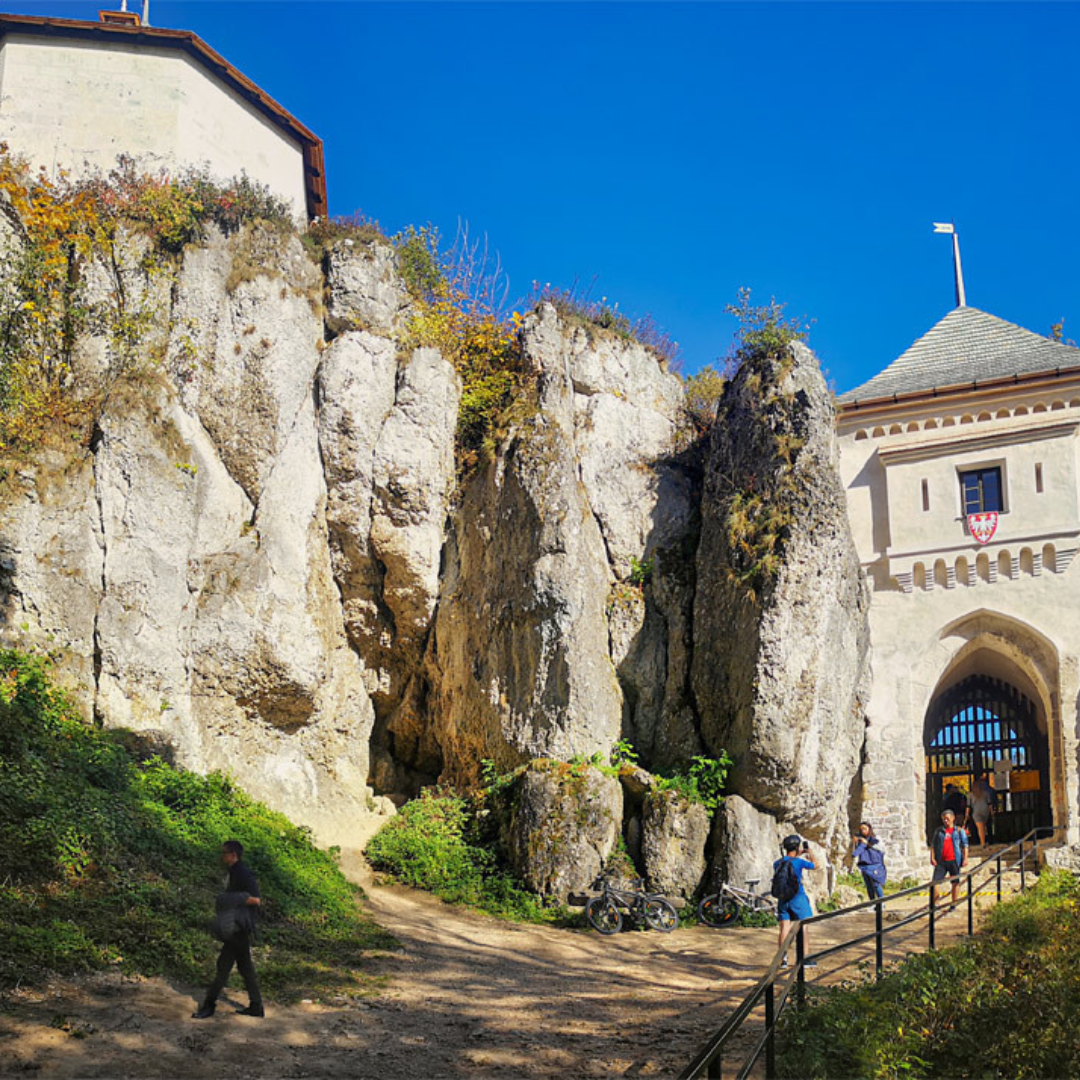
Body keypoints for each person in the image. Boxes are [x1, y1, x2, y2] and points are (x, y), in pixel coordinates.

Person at [192, 840, 264, 1019]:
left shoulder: (243, 872)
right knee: (245, 968)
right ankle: (256, 1006)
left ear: (233, 855)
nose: (222, 856)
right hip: (237, 927)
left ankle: (209, 1005)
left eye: (224, 853)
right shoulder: (233, 871)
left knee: (223, 967)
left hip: (238, 928)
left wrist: (230, 899)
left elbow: (256, 900)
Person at [774, 835, 816, 968]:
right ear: (797, 847)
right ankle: (805, 959)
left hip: (783, 899)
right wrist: (809, 853)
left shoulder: (777, 863)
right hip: (798, 898)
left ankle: (783, 959)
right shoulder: (799, 862)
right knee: (803, 927)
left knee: (784, 928)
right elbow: (816, 865)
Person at [930, 809, 968, 907]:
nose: (945, 821)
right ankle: (936, 903)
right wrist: (932, 857)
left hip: (954, 860)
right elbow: (933, 845)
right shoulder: (939, 831)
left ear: (953, 818)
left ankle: (953, 903)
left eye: (947, 818)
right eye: (944, 819)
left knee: (955, 882)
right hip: (941, 860)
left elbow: (965, 845)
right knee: (936, 882)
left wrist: (965, 858)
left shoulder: (959, 831)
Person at [852, 822, 887, 901]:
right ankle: (872, 902)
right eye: (861, 829)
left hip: (874, 864)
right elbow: (858, 850)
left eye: (864, 829)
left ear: (869, 829)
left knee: (876, 884)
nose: (863, 831)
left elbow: (881, 849)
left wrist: (867, 843)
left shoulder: (875, 838)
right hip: (864, 865)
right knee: (868, 885)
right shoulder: (860, 839)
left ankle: (881, 902)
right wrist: (856, 841)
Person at [968, 775, 995, 846]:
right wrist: (992, 812)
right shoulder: (986, 793)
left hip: (976, 811)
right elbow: (989, 803)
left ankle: (982, 842)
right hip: (985, 810)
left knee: (980, 827)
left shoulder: (970, 795)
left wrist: (967, 814)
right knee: (984, 826)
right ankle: (985, 840)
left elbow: (968, 806)